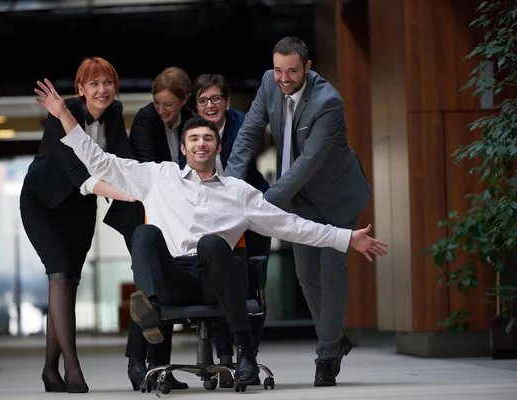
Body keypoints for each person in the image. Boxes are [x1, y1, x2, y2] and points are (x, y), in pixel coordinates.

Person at [33, 77, 388, 385]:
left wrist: (346, 237)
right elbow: (99, 161)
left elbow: (292, 226)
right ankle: (152, 310)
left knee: (213, 244)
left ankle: (244, 355)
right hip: (173, 276)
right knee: (145, 234)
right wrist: (65, 114)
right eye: (194, 139)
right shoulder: (158, 177)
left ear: (217, 146)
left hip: (217, 276)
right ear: (183, 148)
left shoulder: (240, 192)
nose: (201, 144)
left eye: (207, 138)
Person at [224, 36, 373, 386]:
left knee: (331, 273)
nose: (283, 78)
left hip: (336, 195)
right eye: (278, 70)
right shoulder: (267, 82)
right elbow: (248, 133)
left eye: (292, 71)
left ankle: (326, 358)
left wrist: (265, 204)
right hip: (301, 198)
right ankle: (334, 338)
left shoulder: (328, 101)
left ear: (307, 67)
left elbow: (307, 163)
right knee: (306, 275)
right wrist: (228, 187)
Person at [19, 58, 136, 394]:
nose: (103, 90)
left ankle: (49, 371)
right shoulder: (62, 112)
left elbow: (123, 156)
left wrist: (143, 180)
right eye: (94, 84)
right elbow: (77, 173)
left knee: (69, 281)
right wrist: (121, 194)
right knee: (58, 274)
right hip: (43, 203)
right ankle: (72, 366)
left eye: (108, 83)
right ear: (81, 90)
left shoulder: (114, 112)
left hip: (81, 207)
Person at [190, 73, 270, 388]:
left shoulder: (243, 124)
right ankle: (224, 359)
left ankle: (248, 354)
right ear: (195, 105)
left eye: (216, 98)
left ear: (227, 101)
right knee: (222, 282)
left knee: (253, 284)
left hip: (250, 210)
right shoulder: (194, 132)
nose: (210, 105)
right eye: (203, 100)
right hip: (215, 217)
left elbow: (237, 168)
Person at [123, 66, 195, 391]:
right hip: (144, 213)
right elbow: (145, 168)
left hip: (178, 216)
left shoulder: (192, 120)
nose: (162, 110)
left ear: (184, 100)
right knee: (148, 288)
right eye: (157, 103)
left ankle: (160, 368)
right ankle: (137, 363)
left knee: (164, 285)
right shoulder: (145, 120)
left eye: (168, 104)